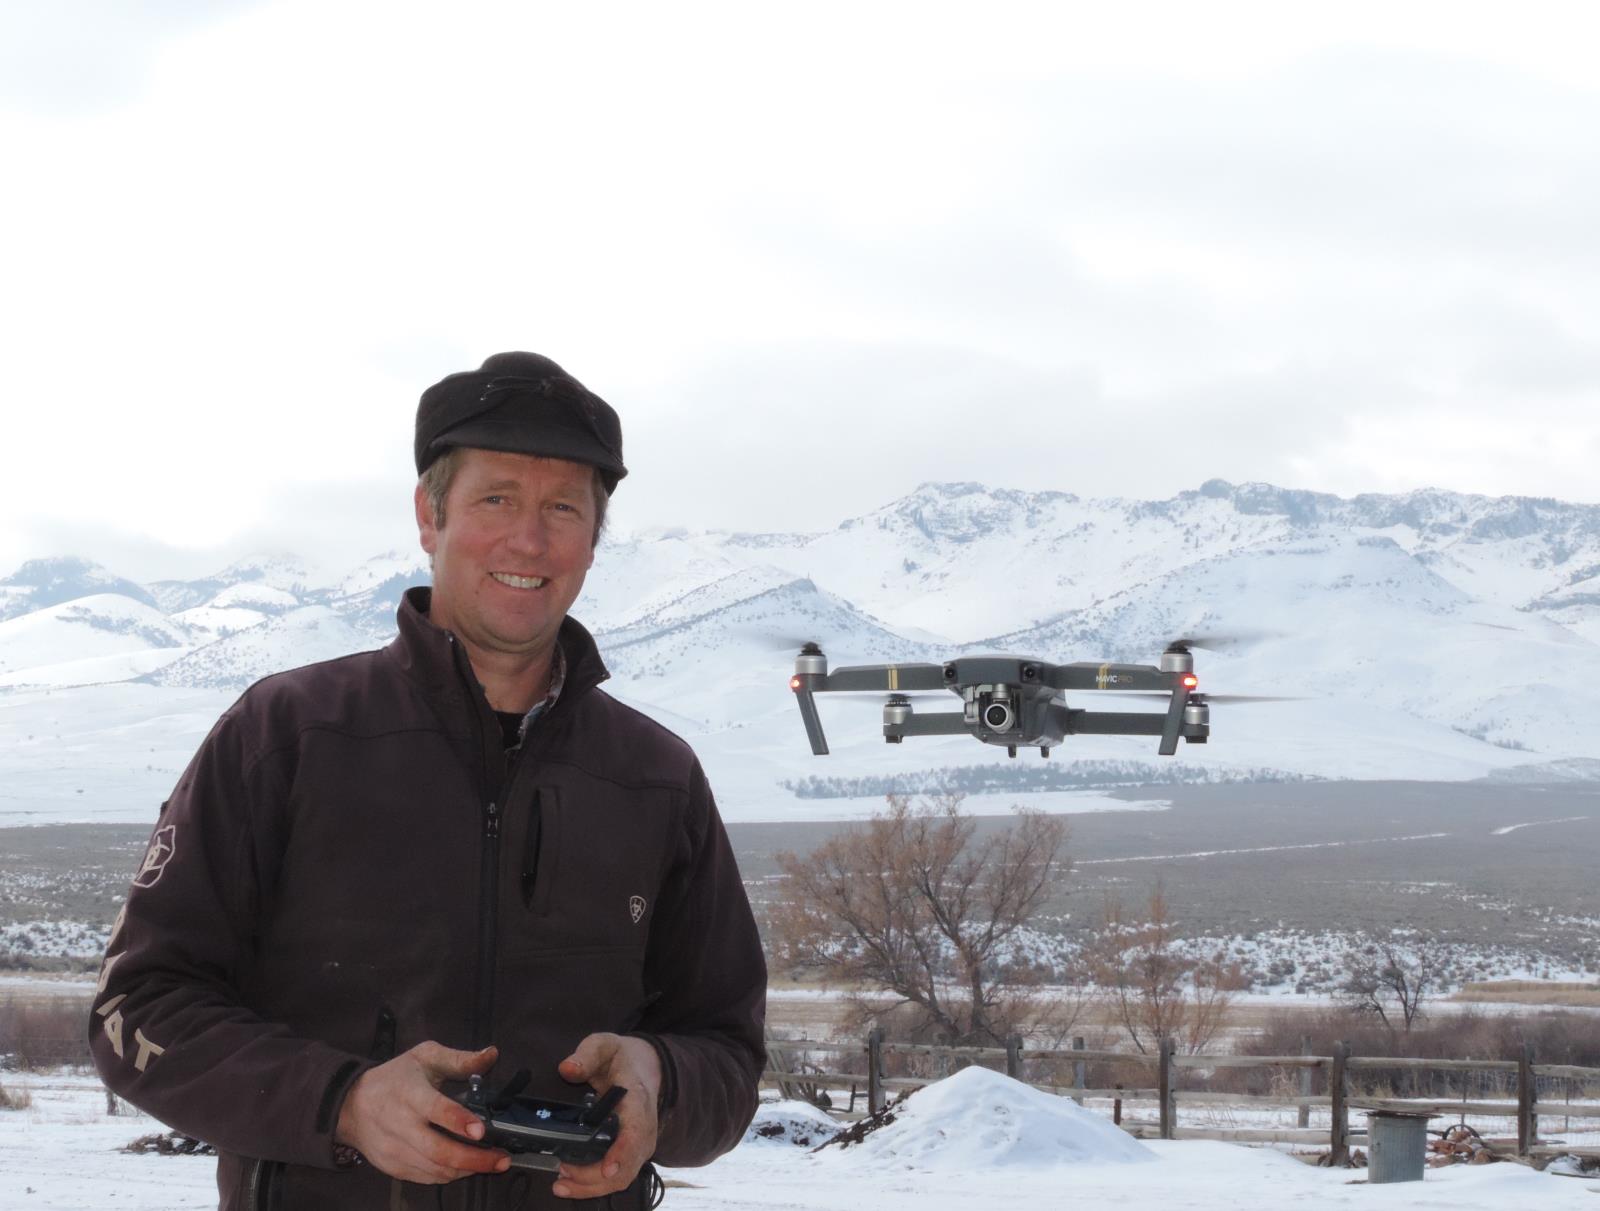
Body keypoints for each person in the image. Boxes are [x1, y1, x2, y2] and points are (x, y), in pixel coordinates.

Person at [89, 352, 768, 1210]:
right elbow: (136, 1008)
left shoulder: (656, 780)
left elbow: (731, 1055)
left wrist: (659, 1080)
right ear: (428, 514)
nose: (530, 538)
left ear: (593, 538)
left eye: (564, 507)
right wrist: (341, 1102)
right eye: (497, 499)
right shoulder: (285, 736)